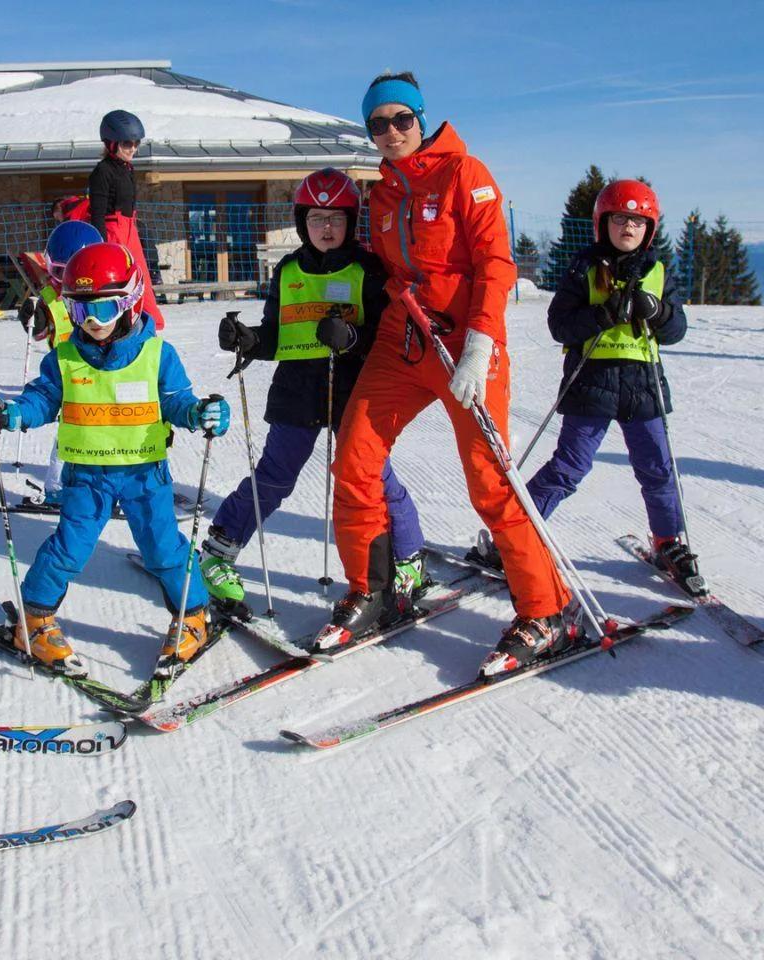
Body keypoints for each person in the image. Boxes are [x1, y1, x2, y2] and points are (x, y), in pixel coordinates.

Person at [324, 71, 570, 672]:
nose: (390, 132)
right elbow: (388, 276)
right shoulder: (380, 195)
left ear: (420, 117)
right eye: (377, 123)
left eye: (400, 119)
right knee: (354, 457)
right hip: (402, 344)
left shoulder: (465, 174)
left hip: (464, 349)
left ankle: (545, 612)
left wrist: (481, 345)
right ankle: (371, 587)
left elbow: (495, 263)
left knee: (490, 482)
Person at [0, 241, 229, 677]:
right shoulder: (65, 358)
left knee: (164, 548)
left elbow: (178, 403)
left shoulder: (156, 355)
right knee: (68, 549)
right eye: (79, 311)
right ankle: (32, 621)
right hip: (87, 477)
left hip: (145, 474)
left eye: (105, 310)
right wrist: (10, 414)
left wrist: (201, 414)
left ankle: (193, 615)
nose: (92, 322)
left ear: (129, 303)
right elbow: (40, 401)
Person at [205, 168, 426, 610]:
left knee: (372, 476)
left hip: (355, 390)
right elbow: (275, 334)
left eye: (337, 219)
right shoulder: (288, 270)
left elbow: (390, 333)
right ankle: (219, 550)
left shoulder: (368, 269)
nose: (327, 228)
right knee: (274, 476)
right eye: (317, 218)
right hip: (297, 389)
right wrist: (248, 339)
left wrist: (353, 339)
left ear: (351, 221)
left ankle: (409, 557)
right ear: (302, 221)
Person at [520, 180, 694, 591]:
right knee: (569, 467)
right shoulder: (584, 268)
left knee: (657, 468)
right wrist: (603, 314)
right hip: (591, 382)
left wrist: (660, 311)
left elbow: (677, 330)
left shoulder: (658, 271)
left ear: (649, 228)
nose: (628, 228)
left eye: (637, 220)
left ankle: (668, 540)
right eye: (620, 219)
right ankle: (516, 531)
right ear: (604, 223)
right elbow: (559, 324)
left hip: (642, 385)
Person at [16, 220, 103, 505]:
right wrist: (31, 317)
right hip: (70, 375)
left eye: (73, 270)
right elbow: (40, 331)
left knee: (113, 433)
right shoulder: (50, 298)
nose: (66, 280)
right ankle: (57, 489)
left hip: (110, 374)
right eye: (58, 272)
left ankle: (117, 486)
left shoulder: (107, 294)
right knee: (71, 433)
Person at [88, 110, 165, 331]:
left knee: (141, 280)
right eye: (127, 144)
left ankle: (150, 325)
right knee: (121, 281)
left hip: (130, 230)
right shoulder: (102, 172)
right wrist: (101, 247)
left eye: (136, 143)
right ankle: (119, 324)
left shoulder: (128, 168)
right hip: (113, 233)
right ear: (111, 144)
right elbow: (97, 214)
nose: (133, 148)